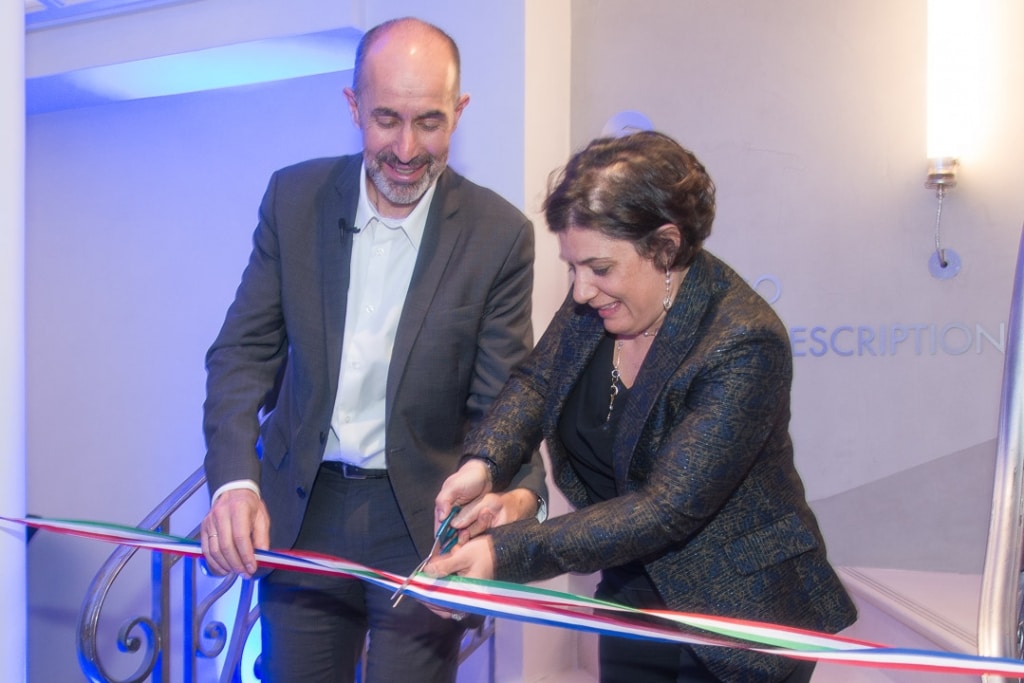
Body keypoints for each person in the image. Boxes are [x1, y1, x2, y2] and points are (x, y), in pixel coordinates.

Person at [428, 131, 857, 683]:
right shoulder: (598, 299)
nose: (581, 290)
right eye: (573, 268)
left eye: (599, 269)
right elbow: (536, 383)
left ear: (666, 248)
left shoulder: (743, 342)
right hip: (633, 592)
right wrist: (482, 464)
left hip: (739, 611)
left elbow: (665, 510)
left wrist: (502, 555)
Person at [199, 17, 547, 683]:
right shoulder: (292, 199)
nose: (408, 148)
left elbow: (504, 401)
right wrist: (236, 482)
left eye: (431, 121)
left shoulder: (500, 235)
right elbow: (242, 354)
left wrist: (506, 499)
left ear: (460, 112)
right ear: (353, 106)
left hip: (422, 520)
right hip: (302, 511)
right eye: (387, 118)